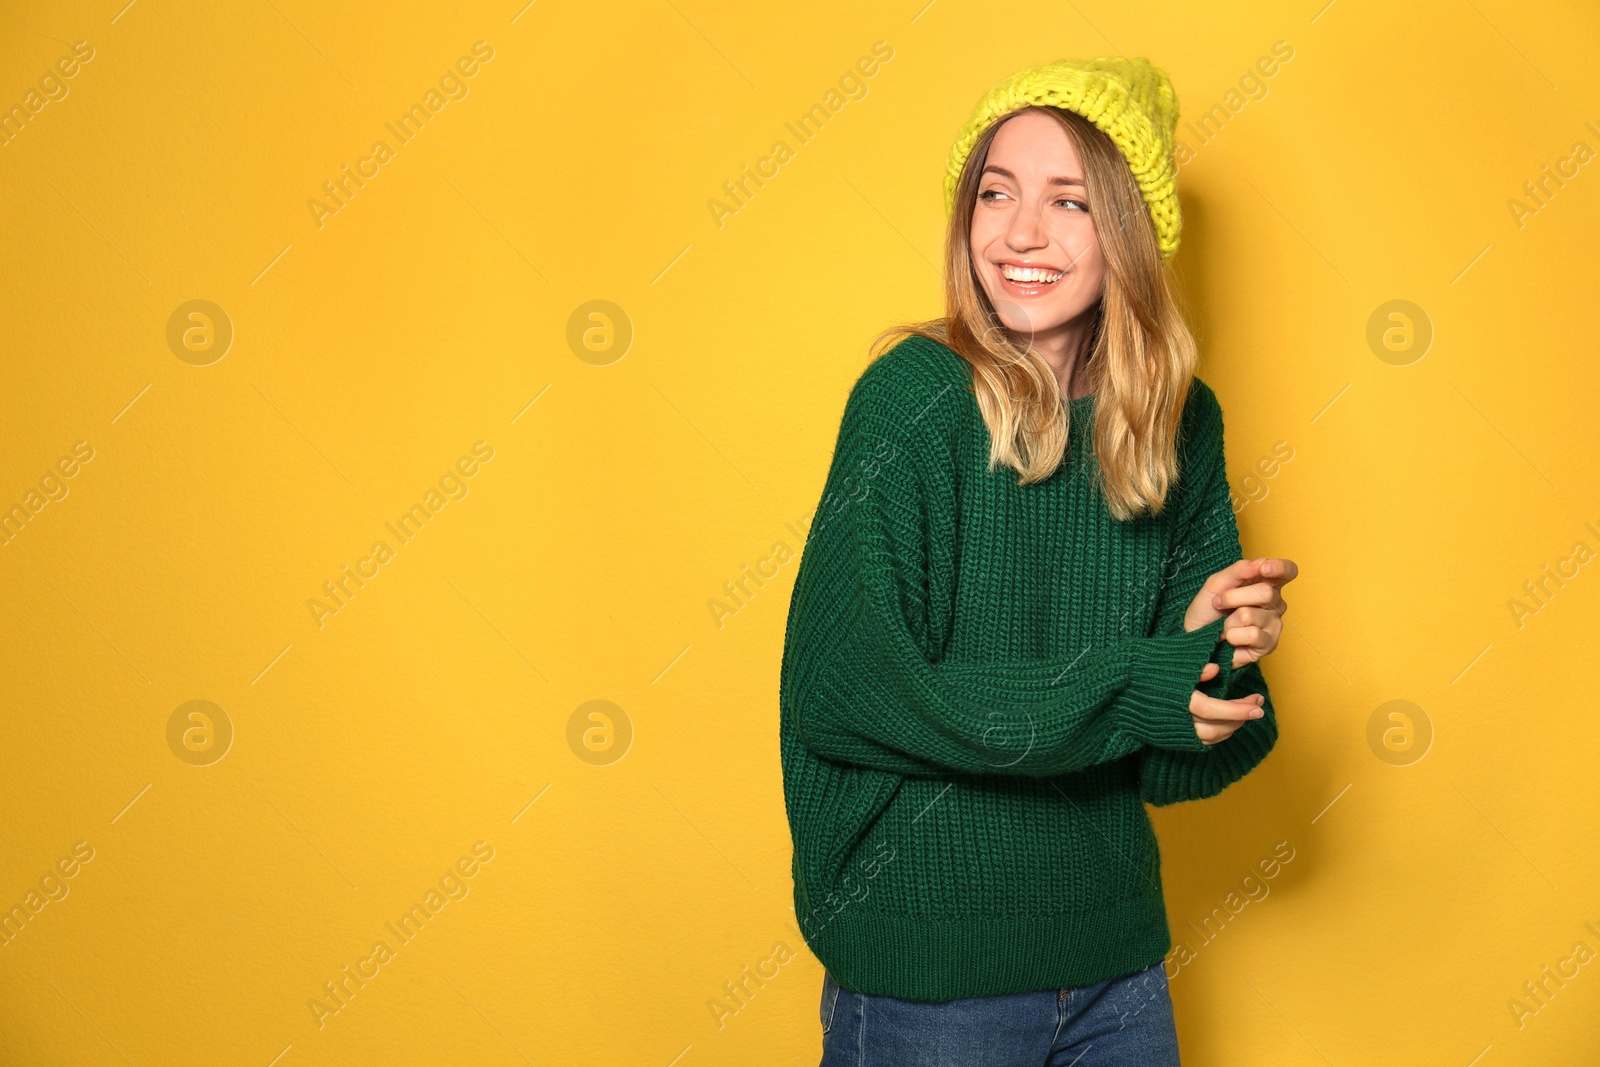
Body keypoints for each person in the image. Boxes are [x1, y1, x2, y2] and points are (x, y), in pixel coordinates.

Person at [777, 56, 1299, 1066]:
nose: (1020, 233)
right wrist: (1146, 676)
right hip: (931, 975)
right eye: (995, 193)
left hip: (1115, 964)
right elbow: (852, 691)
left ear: (1131, 232)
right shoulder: (912, 401)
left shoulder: (1177, 425)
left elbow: (1175, 751)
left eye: (1069, 201)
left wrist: (1222, 654)